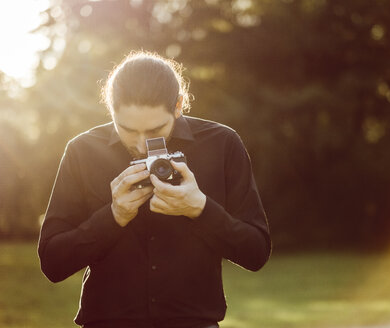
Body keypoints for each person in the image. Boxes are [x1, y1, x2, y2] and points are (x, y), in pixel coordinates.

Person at [38, 50, 271, 328]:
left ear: (178, 106)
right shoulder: (82, 151)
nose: (140, 143)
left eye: (154, 130)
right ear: (111, 109)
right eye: (127, 129)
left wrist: (199, 208)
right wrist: (113, 217)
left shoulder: (222, 144)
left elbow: (256, 252)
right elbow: (53, 263)